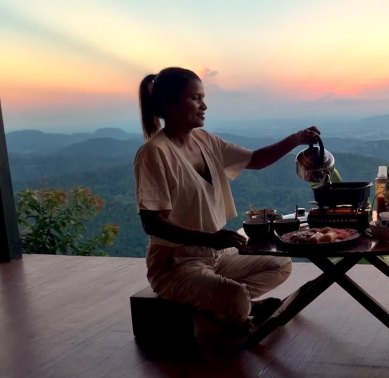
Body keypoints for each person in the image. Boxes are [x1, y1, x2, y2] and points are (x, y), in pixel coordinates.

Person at [133, 67, 320, 351]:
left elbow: (255, 160)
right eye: (195, 98)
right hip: (175, 263)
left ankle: (227, 305)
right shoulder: (154, 153)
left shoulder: (205, 141)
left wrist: (295, 139)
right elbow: (152, 223)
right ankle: (235, 306)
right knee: (235, 298)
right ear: (170, 104)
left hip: (217, 254)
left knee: (280, 264)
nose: (204, 105)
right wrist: (209, 238)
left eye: (202, 98)